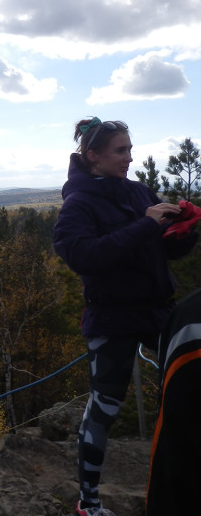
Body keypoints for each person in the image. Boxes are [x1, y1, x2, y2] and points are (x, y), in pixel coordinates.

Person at [52, 117, 198, 516]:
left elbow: (160, 250)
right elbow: (83, 257)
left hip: (156, 309)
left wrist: (185, 231)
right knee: (105, 407)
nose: (130, 158)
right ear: (93, 156)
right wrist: (145, 226)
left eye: (131, 150)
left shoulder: (138, 192)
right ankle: (89, 504)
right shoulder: (78, 204)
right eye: (121, 150)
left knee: (186, 392)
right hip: (112, 318)